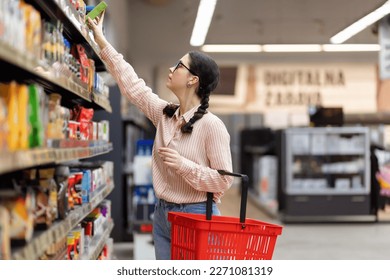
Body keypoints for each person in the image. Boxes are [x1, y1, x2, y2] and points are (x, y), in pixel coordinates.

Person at [87, 12, 234, 260]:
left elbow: (223, 181)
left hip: (195, 215)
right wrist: (101, 39)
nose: (171, 68)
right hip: (162, 214)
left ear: (192, 80)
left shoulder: (212, 126)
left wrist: (183, 165)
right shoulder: (164, 114)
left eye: (178, 66)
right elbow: (133, 86)